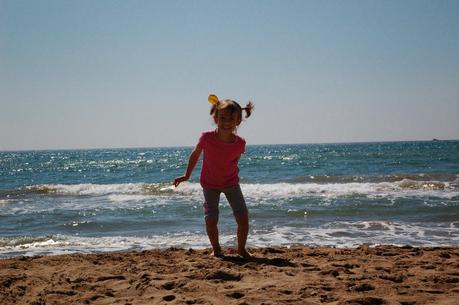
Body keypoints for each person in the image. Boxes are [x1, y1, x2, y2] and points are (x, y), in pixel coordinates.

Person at [173, 94, 254, 258]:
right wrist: (186, 175)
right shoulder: (207, 138)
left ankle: (241, 249)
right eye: (222, 118)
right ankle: (216, 250)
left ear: (238, 121)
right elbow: (195, 154)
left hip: (231, 184)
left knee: (243, 218)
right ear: (216, 117)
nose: (226, 122)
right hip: (210, 185)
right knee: (211, 219)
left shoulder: (240, 143)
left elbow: (235, 160)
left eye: (231, 119)